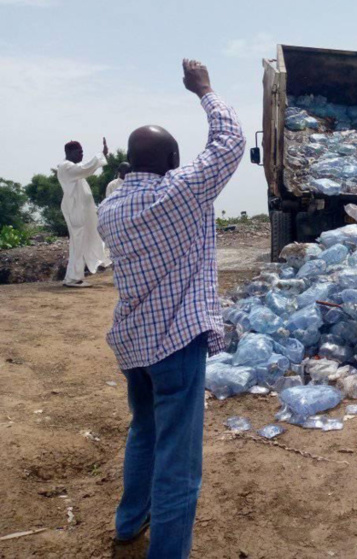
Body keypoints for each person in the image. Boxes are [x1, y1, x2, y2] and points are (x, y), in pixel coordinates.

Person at [98, 59, 245, 557]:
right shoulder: (180, 194)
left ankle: (127, 523)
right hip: (176, 345)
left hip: (133, 344)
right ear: (174, 158)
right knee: (178, 465)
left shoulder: (110, 209)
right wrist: (203, 90)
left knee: (144, 430)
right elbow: (227, 144)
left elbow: (125, 185)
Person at [57, 138, 112, 287]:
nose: (82, 155)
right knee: (78, 243)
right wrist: (101, 154)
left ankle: (73, 277)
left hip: (80, 211)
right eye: (79, 152)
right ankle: (73, 279)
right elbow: (85, 168)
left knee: (81, 242)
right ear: (69, 152)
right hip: (75, 211)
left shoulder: (72, 168)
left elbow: (84, 167)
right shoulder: (67, 167)